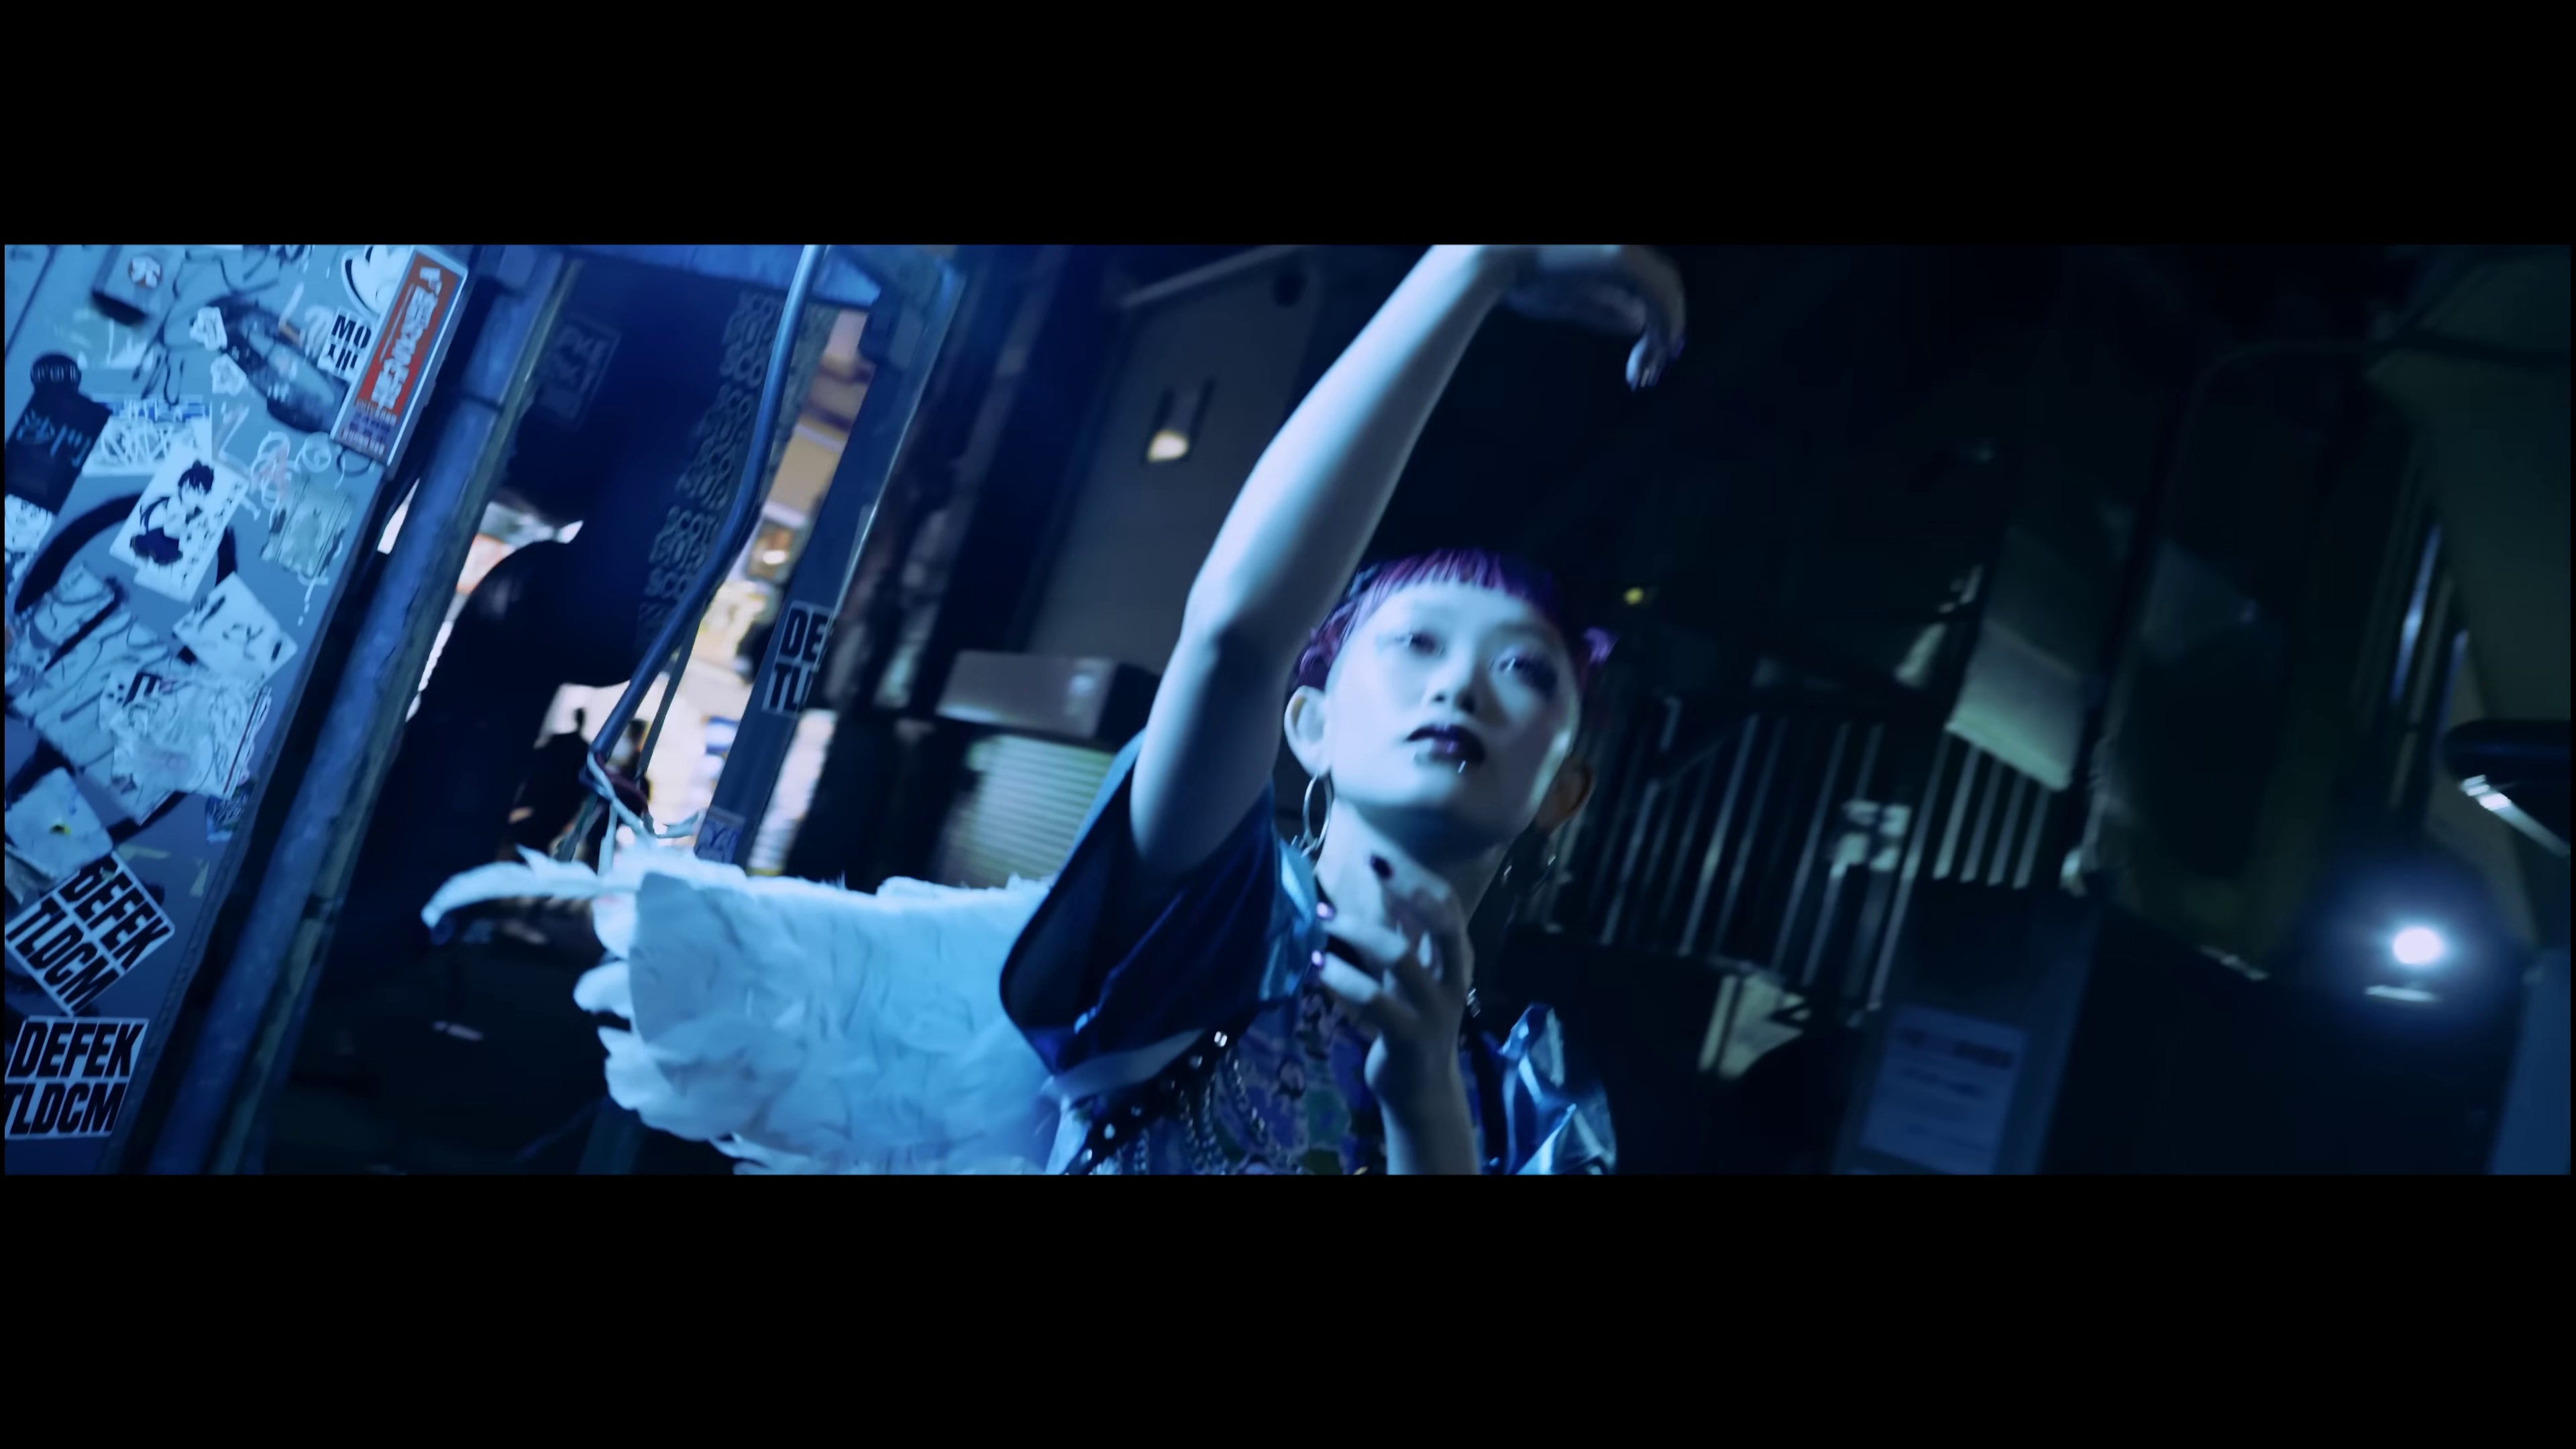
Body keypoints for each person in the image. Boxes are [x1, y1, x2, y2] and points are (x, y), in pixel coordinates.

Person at [424, 245, 1684, 1175]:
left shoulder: (1530, 1105)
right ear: (1305, 728)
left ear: (1567, 787)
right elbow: (1237, 637)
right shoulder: (1212, 923)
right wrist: (1469, 266)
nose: (1459, 684)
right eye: (1413, 644)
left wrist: (1426, 1109)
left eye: (1527, 671)